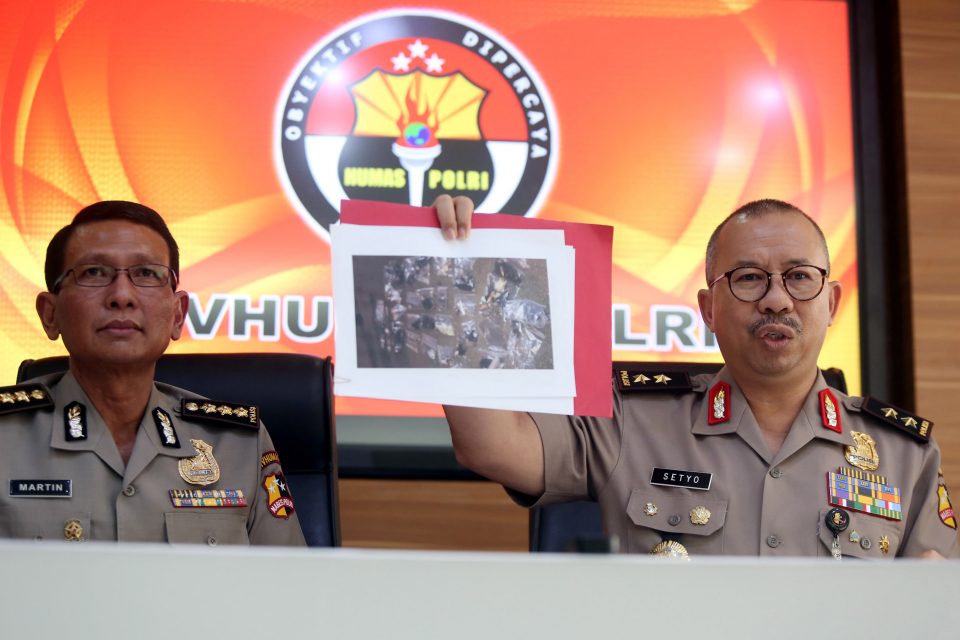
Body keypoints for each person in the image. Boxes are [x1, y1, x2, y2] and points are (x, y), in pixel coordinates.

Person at [432, 195, 959, 558]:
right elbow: (491, 445)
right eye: (749, 278)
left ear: (832, 302)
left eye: (799, 277)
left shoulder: (904, 453)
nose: (777, 299)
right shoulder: (631, 419)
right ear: (708, 309)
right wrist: (455, 273)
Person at [0, 201, 305, 545]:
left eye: (146, 273)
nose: (121, 295)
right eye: (94, 273)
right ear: (49, 313)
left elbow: (287, 589)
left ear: (177, 315)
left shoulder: (237, 445)